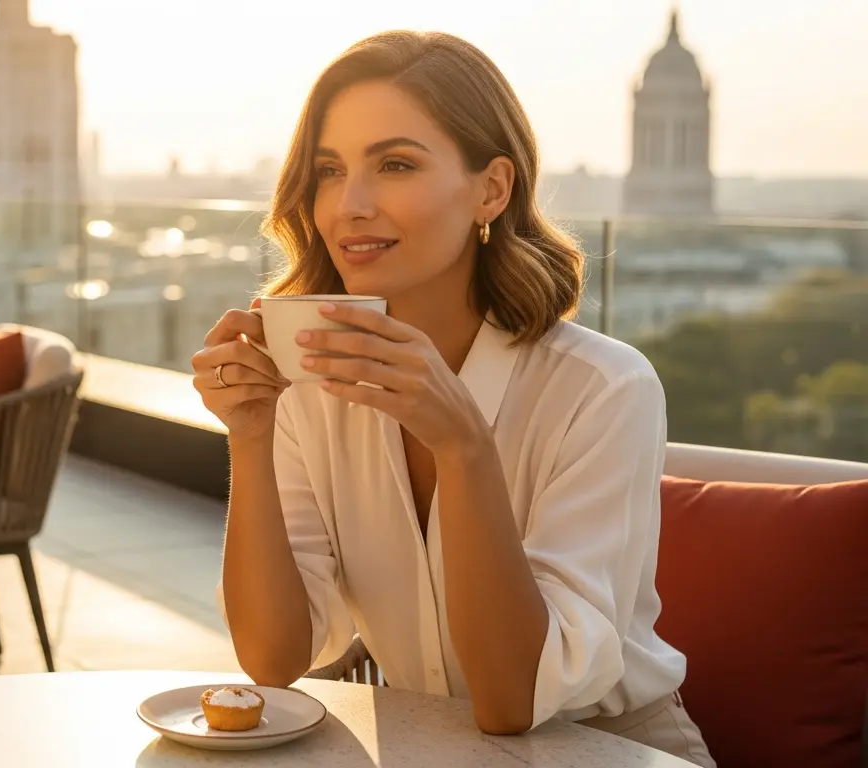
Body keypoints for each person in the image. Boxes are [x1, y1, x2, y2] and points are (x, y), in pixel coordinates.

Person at [191, 30, 715, 766]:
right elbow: (274, 658)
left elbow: (509, 700)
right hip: (430, 748)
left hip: (607, 751)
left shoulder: (604, 390)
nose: (350, 205)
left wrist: (464, 446)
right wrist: (249, 435)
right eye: (330, 171)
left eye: (395, 164)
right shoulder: (309, 390)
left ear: (492, 189)